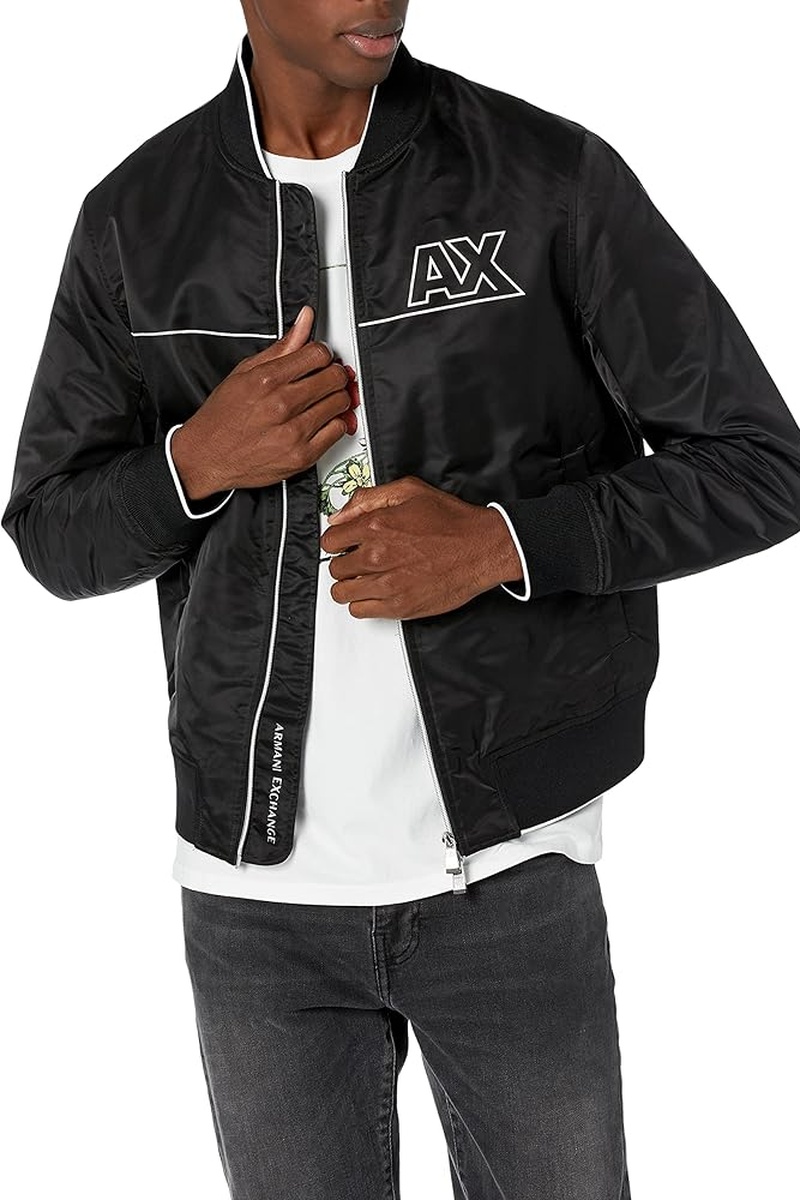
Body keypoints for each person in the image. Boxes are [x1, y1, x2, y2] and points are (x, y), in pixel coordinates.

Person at [4, 2, 800, 1197]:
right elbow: (54, 535)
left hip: (506, 865)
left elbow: (757, 466)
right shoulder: (137, 216)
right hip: (253, 899)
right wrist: (193, 462)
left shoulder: (543, 178)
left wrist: (499, 543)